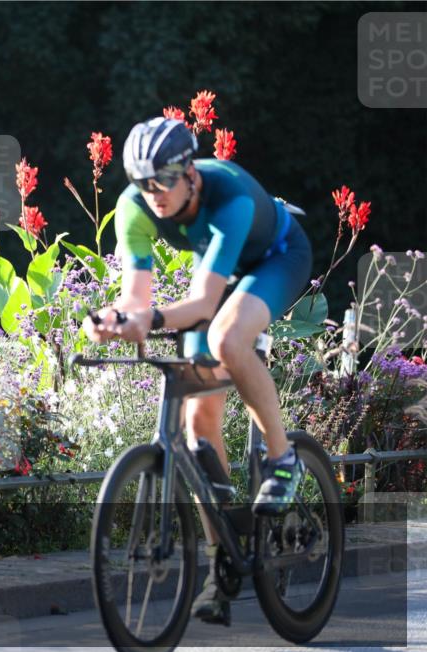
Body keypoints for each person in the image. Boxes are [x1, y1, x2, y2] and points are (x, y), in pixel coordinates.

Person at [82, 117, 313, 626]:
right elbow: (136, 297)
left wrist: (150, 319)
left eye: (164, 179)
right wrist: (114, 320)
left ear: (190, 172)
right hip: (218, 268)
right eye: (143, 182)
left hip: (276, 258)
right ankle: (222, 559)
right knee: (195, 426)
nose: (154, 193)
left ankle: (283, 459)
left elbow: (205, 301)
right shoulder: (134, 207)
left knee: (229, 338)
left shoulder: (227, 194)